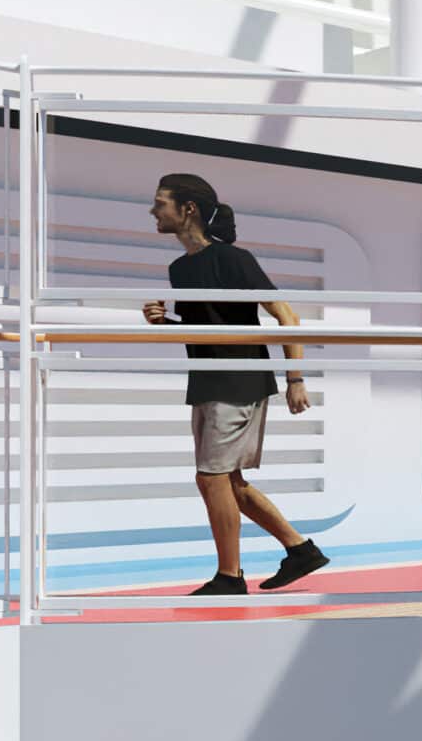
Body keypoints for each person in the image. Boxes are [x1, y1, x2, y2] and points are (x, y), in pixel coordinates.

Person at [141, 173, 329, 596]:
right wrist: (165, 322)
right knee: (228, 482)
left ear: (188, 209)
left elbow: (287, 317)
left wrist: (295, 378)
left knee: (212, 479)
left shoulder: (234, 259)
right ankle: (300, 550)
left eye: (160, 203)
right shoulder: (179, 269)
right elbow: (204, 328)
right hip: (207, 380)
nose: (153, 211)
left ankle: (229, 576)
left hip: (240, 380)